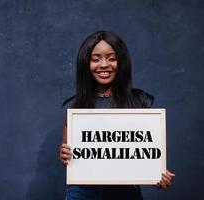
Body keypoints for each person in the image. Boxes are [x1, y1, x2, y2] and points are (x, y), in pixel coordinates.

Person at [59, 30, 175, 200]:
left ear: (121, 63)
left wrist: (157, 173)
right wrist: (64, 155)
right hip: (82, 192)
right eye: (96, 59)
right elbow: (67, 155)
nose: (104, 64)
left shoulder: (139, 101)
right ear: (86, 63)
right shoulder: (74, 106)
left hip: (125, 193)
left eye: (111, 58)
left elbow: (147, 151)